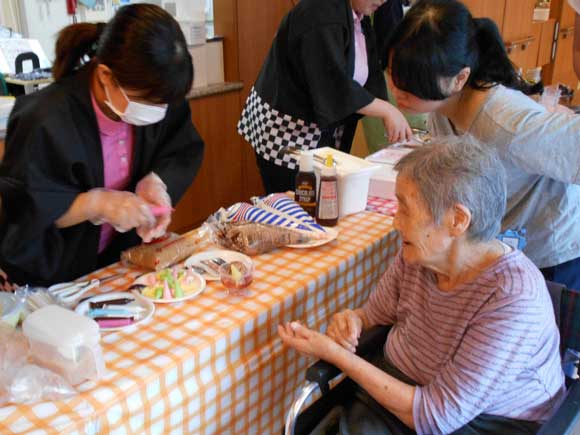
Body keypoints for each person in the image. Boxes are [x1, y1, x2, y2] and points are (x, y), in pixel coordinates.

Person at [279, 139, 565, 434]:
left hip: (477, 422)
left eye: (405, 209)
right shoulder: (419, 256)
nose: (394, 222)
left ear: (457, 220)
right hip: (395, 394)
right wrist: (352, 320)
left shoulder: (512, 299)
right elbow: (372, 315)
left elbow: (435, 416)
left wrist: (337, 355)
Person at [0, 4, 204, 287]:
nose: (158, 112)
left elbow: (181, 145)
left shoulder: (155, 94)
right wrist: (95, 204)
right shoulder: (45, 120)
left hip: (113, 264)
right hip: (52, 278)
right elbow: (28, 209)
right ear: (106, 76)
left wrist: (156, 182)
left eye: (164, 104)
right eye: (149, 102)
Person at [384, 0, 580, 290]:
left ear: (460, 78)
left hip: (550, 253)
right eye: (394, 75)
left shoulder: (508, 124)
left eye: (412, 82)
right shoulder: (443, 106)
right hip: (501, 244)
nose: (398, 91)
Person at [237, 0, 411, 194]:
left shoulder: (356, 13)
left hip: (320, 131)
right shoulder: (320, 13)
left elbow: (365, 74)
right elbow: (331, 82)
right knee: (299, 209)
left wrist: (386, 108)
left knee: (326, 202)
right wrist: (386, 110)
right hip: (287, 132)